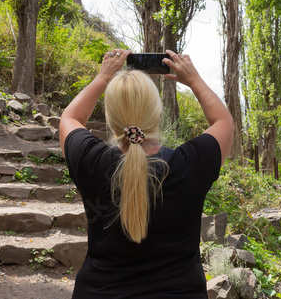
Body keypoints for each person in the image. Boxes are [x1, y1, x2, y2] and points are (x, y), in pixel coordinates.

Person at [59, 49, 234, 298]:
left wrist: (102, 78)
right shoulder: (190, 163)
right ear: (158, 114)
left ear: (110, 118)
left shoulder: (91, 159)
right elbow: (223, 122)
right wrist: (193, 79)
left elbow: (70, 117)